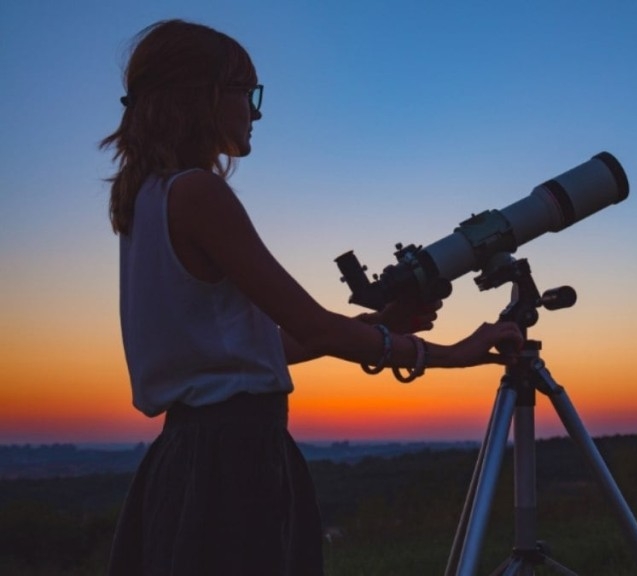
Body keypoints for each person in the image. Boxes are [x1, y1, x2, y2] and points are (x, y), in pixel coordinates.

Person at [101, 19, 523, 576]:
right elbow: (317, 328)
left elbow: (247, 348)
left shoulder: (145, 201)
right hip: (236, 457)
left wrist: (377, 324)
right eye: (248, 93)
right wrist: (449, 354)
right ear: (204, 95)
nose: (256, 111)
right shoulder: (198, 193)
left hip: (186, 454)